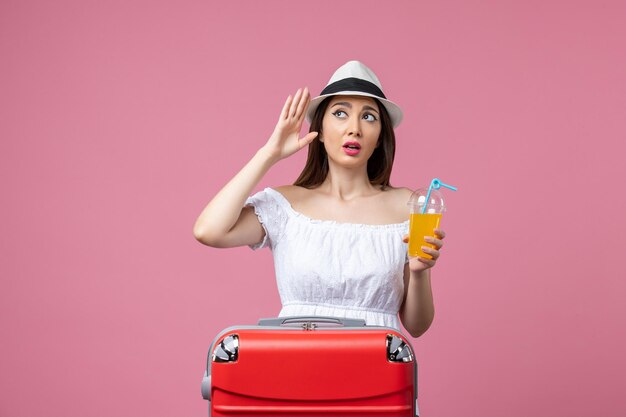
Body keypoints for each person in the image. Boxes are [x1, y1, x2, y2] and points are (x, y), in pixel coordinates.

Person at [194, 61, 446, 337]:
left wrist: (420, 272)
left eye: (369, 117)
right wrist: (269, 154)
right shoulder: (286, 206)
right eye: (340, 113)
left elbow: (417, 326)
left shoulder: (407, 205)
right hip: (298, 369)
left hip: (376, 374)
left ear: (379, 138)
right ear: (321, 131)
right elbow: (209, 231)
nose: (354, 128)